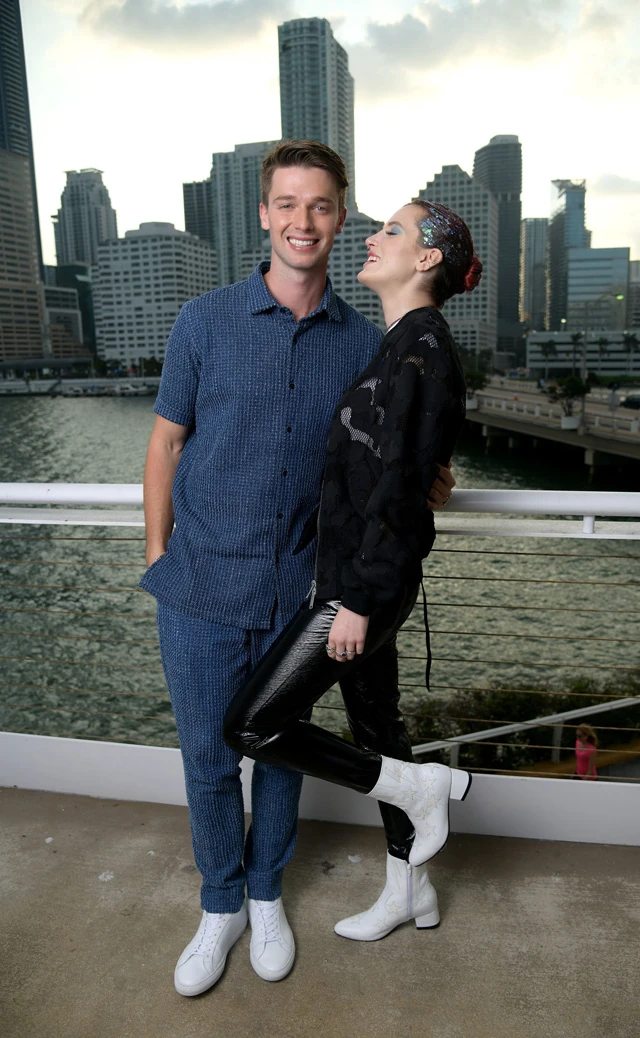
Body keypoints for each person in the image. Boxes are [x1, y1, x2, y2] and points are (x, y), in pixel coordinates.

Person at [140, 141, 455, 995]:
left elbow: (388, 449)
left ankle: (267, 894)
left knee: (280, 755)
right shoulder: (203, 321)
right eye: (287, 203)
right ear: (264, 214)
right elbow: (165, 443)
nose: (302, 221)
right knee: (208, 760)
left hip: (300, 590)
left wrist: (431, 474)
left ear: (339, 217)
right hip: (198, 587)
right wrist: (158, 555)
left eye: (319, 205)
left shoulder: (365, 342)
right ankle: (220, 905)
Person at [224, 199, 482, 943]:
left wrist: (358, 603)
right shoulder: (400, 343)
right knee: (377, 727)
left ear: (426, 259)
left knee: (251, 725)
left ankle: (420, 787)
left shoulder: (422, 348)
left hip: (361, 589)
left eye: (392, 230)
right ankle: (411, 890)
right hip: (357, 579)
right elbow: (393, 468)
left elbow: (399, 491)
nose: (373, 238)